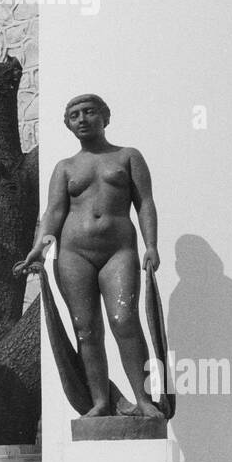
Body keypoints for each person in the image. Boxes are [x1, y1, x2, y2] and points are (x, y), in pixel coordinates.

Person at [14, 93, 164, 419]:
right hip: (73, 254)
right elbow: (53, 213)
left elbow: (145, 204)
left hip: (118, 251)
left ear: (105, 117)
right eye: (74, 115)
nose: (82, 119)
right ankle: (99, 401)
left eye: (89, 112)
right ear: (68, 125)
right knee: (86, 329)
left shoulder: (127, 157)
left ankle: (144, 398)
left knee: (124, 320)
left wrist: (151, 245)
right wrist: (40, 247)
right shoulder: (65, 168)